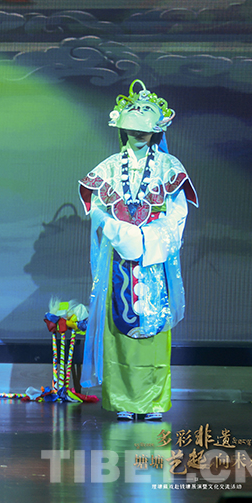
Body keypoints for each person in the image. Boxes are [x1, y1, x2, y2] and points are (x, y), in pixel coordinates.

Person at [78, 80, 198, 421]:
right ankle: (122, 400)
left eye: (144, 129)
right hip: (119, 255)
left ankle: (153, 400)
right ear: (123, 130)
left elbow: (178, 210)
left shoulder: (169, 166)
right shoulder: (109, 167)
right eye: (132, 128)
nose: (138, 134)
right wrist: (118, 230)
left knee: (155, 326)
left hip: (153, 256)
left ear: (156, 131)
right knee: (118, 327)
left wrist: (155, 235)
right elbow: (96, 208)